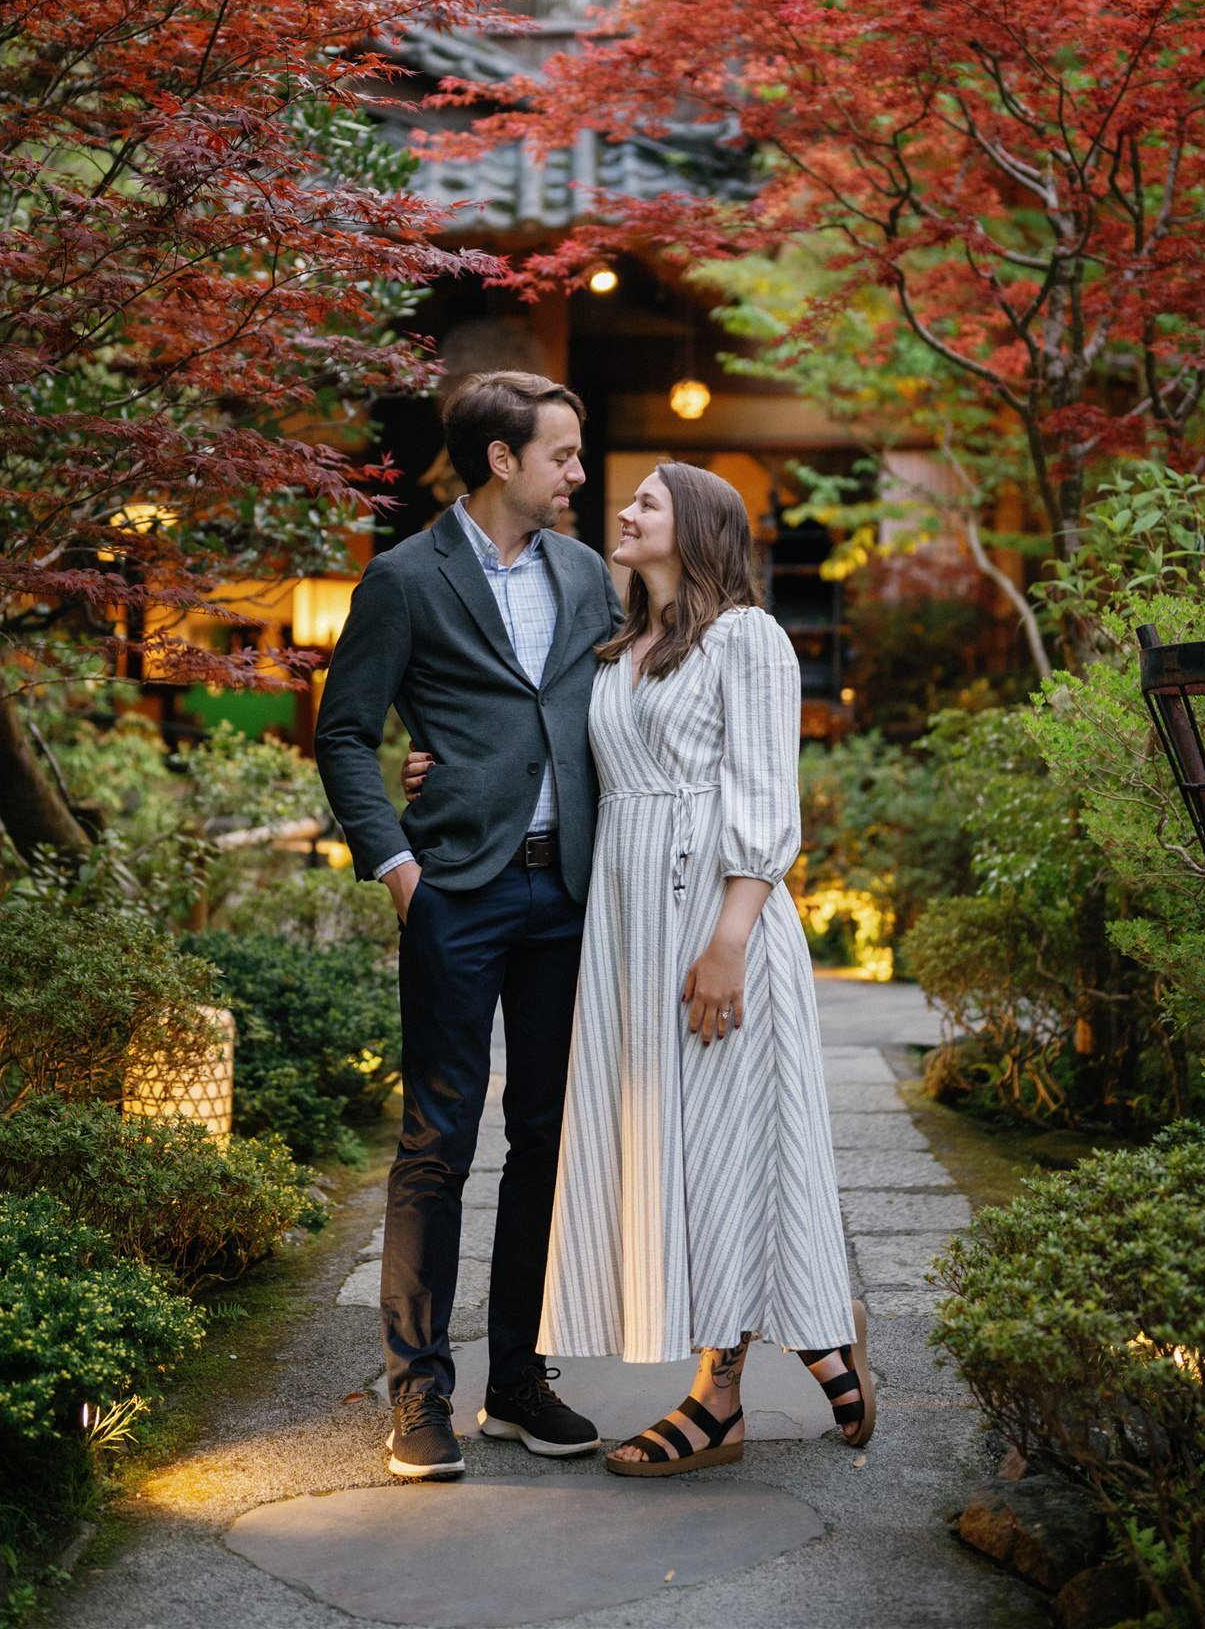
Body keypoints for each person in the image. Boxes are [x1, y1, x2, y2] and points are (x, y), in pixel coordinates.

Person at [403, 460, 876, 1474]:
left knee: (723, 1151)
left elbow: (766, 796)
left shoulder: (746, 638)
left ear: (695, 526)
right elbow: (545, 749)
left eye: (647, 502)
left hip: (715, 926)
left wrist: (729, 941)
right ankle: (816, 1336)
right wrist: (441, 767)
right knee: (677, 1151)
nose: (622, 509)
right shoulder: (615, 649)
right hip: (626, 935)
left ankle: (718, 1400)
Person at [314, 369, 623, 1482]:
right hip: (456, 889)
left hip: (566, 895)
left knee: (545, 1137)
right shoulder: (403, 577)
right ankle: (418, 1396)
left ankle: (520, 1380)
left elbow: (614, 706)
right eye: (562, 455)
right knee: (437, 1143)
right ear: (502, 460)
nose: (578, 473)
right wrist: (399, 868)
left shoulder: (586, 574)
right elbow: (343, 732)